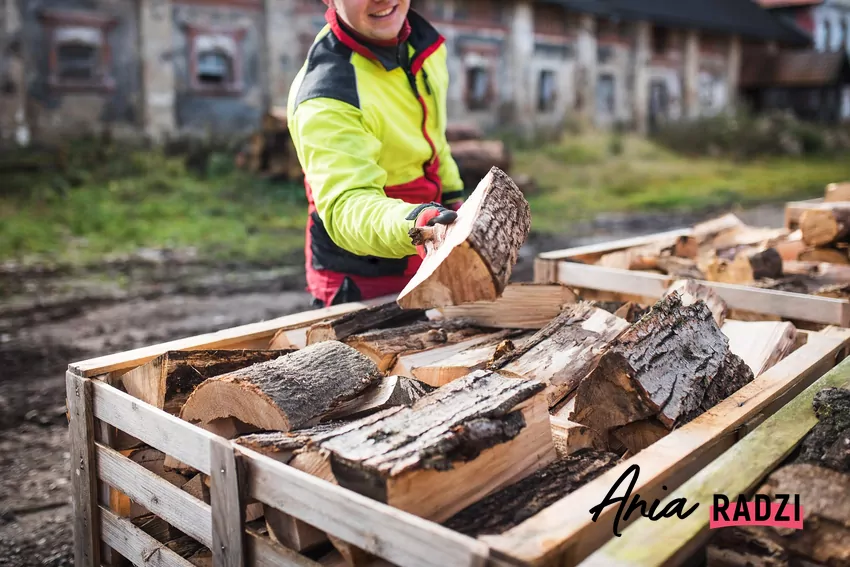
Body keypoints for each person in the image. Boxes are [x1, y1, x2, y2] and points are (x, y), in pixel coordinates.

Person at [287, 0, 466, 308]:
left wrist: (454, 201)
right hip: (361, 282)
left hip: (428, 255)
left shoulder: (425, 44)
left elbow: (435, 141)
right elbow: (347, 206)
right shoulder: (326, 93)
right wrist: (417, 224)